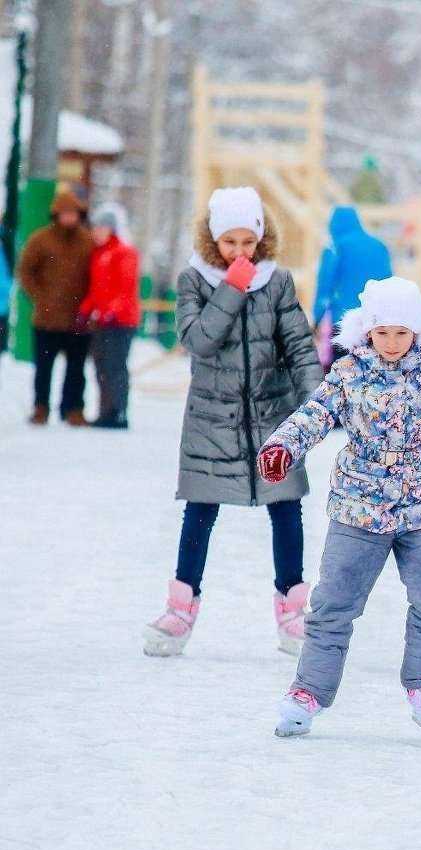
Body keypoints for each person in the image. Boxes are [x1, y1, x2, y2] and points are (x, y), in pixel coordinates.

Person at [259, 277, 421, 741]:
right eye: (384, 333)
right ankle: (309, 692)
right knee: (334, 601)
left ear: (418, 331)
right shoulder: (349, 371)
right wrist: (283, 446)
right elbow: (315, 414)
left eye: (403, 333)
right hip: (359, 507)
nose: (393, 343)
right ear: (368, 331)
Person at [142, 187, 321, 658]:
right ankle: (180, 611)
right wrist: (232, 288)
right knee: (200, 510)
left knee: (286, 508)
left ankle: (292, 610)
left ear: (261, 239)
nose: (240, 252)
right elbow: (197, 341)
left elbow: (299, 346)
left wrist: (316, 403)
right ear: (212, 240)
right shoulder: (193, 280)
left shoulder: (278, 282)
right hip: (211, 419)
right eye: (230, 242)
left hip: (272, 414)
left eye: (248, 242)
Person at [17, 188, 93, 425]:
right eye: (64, 213)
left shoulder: (87, 241)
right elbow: (26, 271)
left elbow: (96, 275)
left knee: (76, 369)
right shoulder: (40, 239)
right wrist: (41, 299)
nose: (69, 218)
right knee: (44, 368)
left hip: (78, 319)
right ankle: (41, 407)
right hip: (46, 319)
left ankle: (73, 409)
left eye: (73, 213)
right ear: (56, 214)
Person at [79, 203, 141, 429]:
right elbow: (97, 290)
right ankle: (106, 410)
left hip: (120, 322)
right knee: (101, 366)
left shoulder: (124, 253)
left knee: (115, 366)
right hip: (103, 321)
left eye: (101, 227)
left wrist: (112, 311)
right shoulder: (99, 254)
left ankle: (119, 412)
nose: (96, 232)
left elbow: (126, 288)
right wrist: (86, 310)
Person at [312, 205, 392, 370]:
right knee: (372, 373)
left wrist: (317, 318)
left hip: (343, 323)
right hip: (375, 323)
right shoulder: (379, 246)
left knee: (342, 374)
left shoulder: (336, 248)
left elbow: (325, 286)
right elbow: (390, 284)